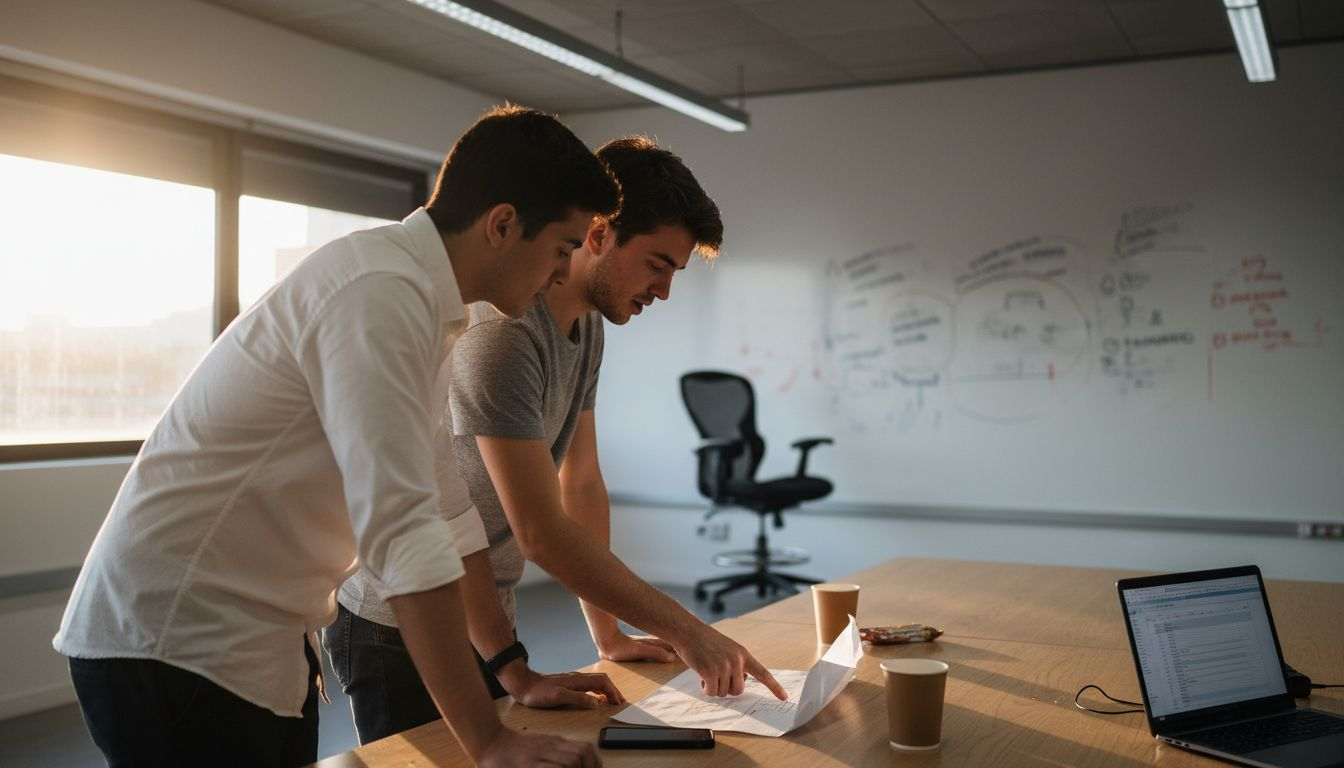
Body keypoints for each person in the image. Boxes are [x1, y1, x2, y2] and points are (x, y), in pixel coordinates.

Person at [52, 105, 619, 768]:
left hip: (255, 646)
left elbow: (446, 508)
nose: (563, 271)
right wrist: (488, 741)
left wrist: (512, 673)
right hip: (176, 644)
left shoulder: (428, 308)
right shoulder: (379, 293)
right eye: (561, 248)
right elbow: (403, 531)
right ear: (502, 225)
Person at [329, 136, 787, 743]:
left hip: (486, 614)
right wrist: (690, 632)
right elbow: (539, 531)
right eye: (657, 264)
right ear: (600, 235)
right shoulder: (503, 336)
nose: (665, 291)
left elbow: (583, 481)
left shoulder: (589, 325)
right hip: (404, 620)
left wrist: (608, 634)